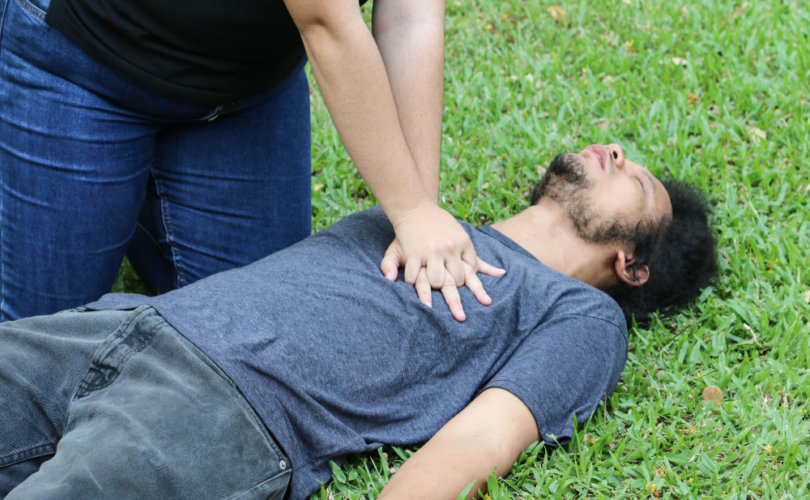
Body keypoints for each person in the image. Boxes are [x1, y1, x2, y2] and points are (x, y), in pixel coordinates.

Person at [0, 144, 717, 499]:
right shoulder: (424, 214)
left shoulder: (582, 316)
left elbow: (481, 438)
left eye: (637, 179)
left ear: (634, 264)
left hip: (223, 411)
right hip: (116, 327)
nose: (614, 151)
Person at [0, 0, 495, 322]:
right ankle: (110, 177)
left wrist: (421, 216)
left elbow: (412, 14)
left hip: (244, 88)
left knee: (258, 331)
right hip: (88, 55)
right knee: (38, 341)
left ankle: (133, 188)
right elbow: (326, 21)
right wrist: (408, 209)